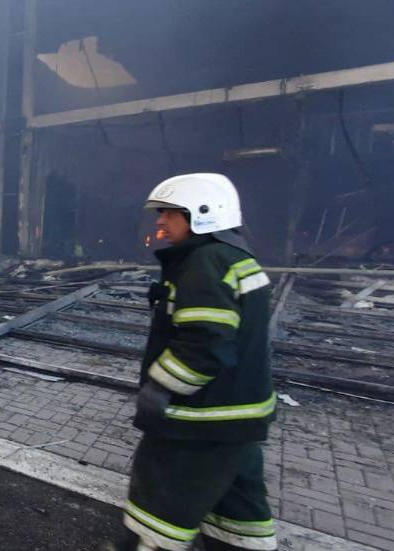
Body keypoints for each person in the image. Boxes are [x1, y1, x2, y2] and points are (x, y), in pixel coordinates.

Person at [113, 174, 276, 551]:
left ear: (202, 214)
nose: (160, 221)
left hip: (200, 424)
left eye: (169, 213)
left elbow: (205, 345)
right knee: (239, 522)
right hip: (239, 420)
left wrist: (160, 387)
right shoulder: (237, 259)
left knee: (156, 516)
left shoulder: (205, 262)